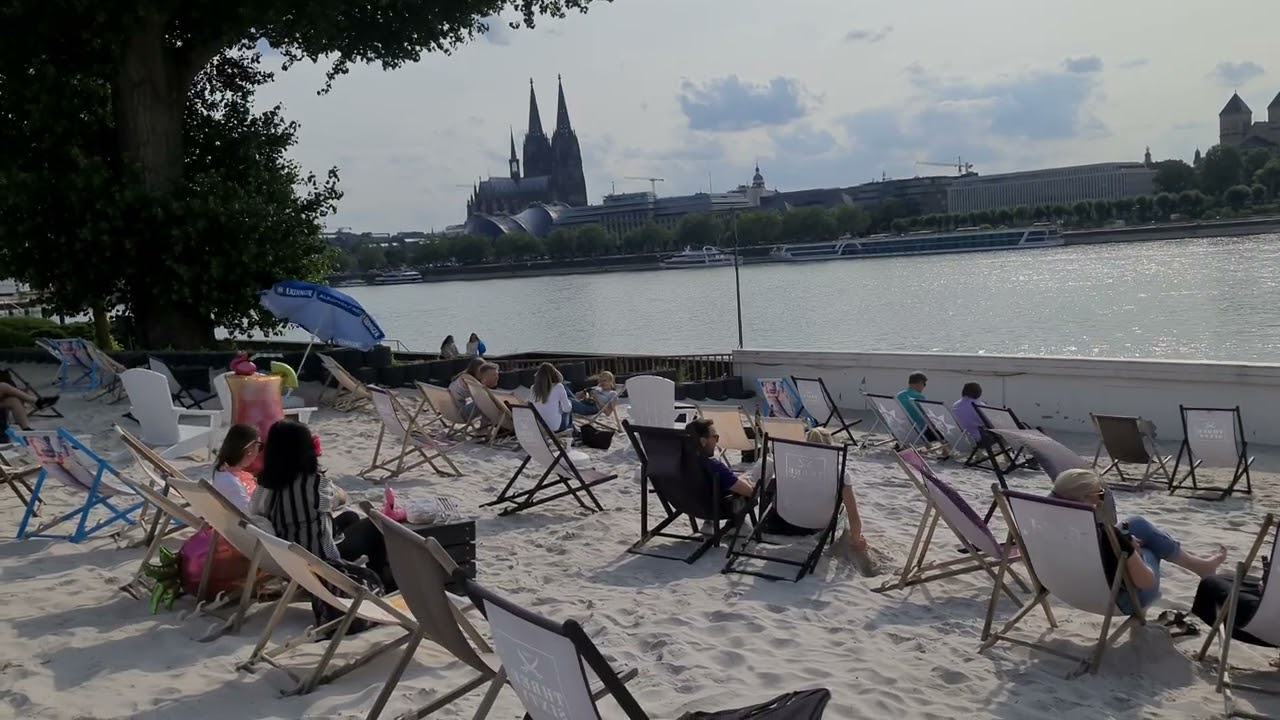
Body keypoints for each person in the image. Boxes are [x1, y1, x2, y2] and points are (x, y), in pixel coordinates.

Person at [1051, 468, 1226, 615]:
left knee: (1137, 523)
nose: (1102, 498)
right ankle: (1200, 567)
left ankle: (1199, 565)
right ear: (1090, 499)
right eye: (1100, 494)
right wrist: (1135, 552)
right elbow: (1146, 582)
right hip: (1116, 602)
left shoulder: (1040, 525)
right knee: (1151, 549)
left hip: (1066, 591)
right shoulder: (1108, 536)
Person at [249, 420, 394, 590]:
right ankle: (386, 584)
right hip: (319, 561)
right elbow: (340, 498)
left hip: (287, 556)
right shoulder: (313, 483)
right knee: (375, 525)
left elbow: (256, 510)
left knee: (350, 517)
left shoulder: (264, 485)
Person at [805, 427, 871, 554]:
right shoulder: (839, 474)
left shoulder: (790, 467)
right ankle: (850, 542)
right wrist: (857, 540)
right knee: (844, 510)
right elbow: (853, 513)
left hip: (788, 520)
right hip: (818, 525)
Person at [688, 418, 756, 499]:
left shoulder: (681, 463)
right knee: (767, 463)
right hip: (728, 504)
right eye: (715, 437)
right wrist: (746, 481)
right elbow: (751, 492)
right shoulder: (714, 466)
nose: (716, 442)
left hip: (689, 504)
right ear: (703, 441)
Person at [210, 423, 261, 512]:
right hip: (242, 524)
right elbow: (250, 514)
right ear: (249, 450)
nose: (258, 452)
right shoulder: (232, 483)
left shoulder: (222, 471)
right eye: (259, 446)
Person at [530, 363, 576, 433]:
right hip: (555, 428)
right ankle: (571, 428)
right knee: (569, 404)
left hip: (540, 428)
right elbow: (567, 409)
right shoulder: (558, 387)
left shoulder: (533, 388)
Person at [895, 372, 938, 442]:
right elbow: (928, 416)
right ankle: (945, 451)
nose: (924, 386)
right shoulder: (919, 397)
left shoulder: (899, 395)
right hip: (918, 432)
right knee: (945, 434)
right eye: (924, 384)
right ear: (920, 383)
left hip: (900, 430)